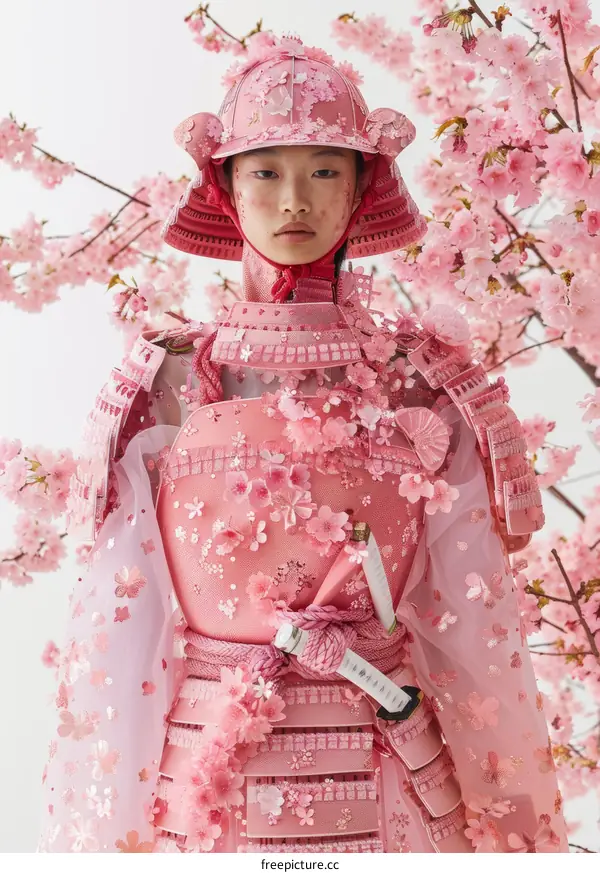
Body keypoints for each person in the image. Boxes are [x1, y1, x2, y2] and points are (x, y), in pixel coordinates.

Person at [38, 34, 568, 854]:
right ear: (225, 187)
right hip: (210, 779)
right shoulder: (163, 380)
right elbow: (120, 641)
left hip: (391, 773)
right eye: (265, 171)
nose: (295, 200)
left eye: (324, 171)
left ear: (361, 187)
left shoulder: (425, 380)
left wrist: (515, 825)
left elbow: (474, 630)